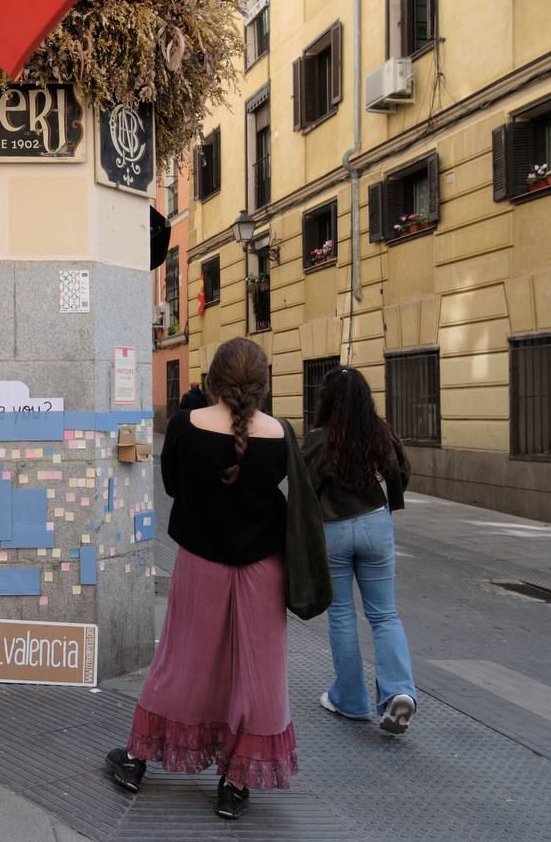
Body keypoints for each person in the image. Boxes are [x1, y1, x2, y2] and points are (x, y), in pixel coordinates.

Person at [105, 338, 302, 821]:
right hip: (263, 567)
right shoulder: (281, 434)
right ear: (262, 384)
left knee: (182, 659)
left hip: (200, 561)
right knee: (260, 672)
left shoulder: (184, 426)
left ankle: (137, 759)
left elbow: (173, 486)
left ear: (213, 380)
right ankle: (235, 784)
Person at [302, 366, 417, 734]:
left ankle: (350, 700)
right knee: (384, 614)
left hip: (333, 530)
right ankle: (399, 692)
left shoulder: (319, 438)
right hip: (375, 525)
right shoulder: (380, 432)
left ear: (327, 401)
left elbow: (304, 484)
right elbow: (402, 471)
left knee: (342, 615)